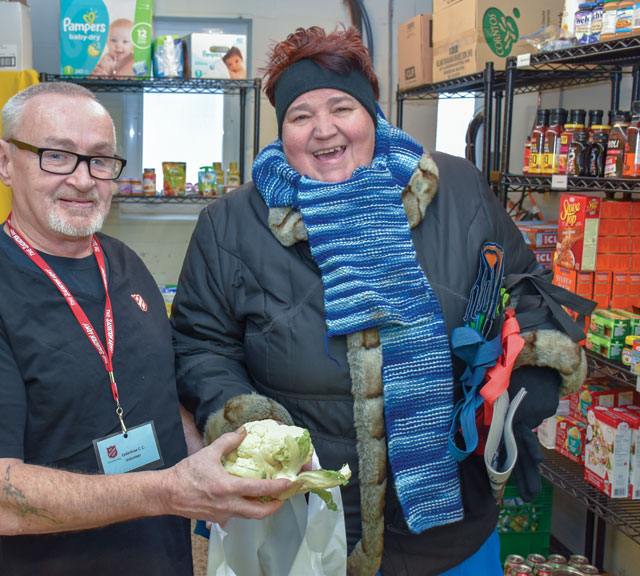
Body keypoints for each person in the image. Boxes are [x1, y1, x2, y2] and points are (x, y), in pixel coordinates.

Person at [170, 27, 591, 575]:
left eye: (341, 107)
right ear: (282, 131)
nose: (324, 130)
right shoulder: (231, 223)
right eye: (301, 116)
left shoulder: (457, 189)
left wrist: (532, 368)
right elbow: (202, 345)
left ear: (373, 115)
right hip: (306, 524)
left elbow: (522, 283)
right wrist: (248, 419)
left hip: (452, 525)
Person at [0, 81, 291, 575]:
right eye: (57, 156)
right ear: (5, 161)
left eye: (99, 159)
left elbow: (159, 398)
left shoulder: (125, 264)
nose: (83, 179)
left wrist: (240, 463)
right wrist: (169, 491)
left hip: (158, 557)